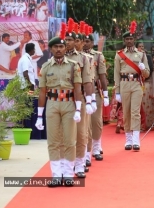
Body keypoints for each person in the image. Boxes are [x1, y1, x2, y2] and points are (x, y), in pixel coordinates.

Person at [35, 28, 83, 187]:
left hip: (69, 103)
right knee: (54, 141)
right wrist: (39, 115)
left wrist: (78, 109)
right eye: (55, 47)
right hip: (52, 104)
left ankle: (68, 174)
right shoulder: (46, 67)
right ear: (51, 49)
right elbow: (42, 92)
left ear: (65, 48)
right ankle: (56, 175)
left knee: (69, 140)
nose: (58, 49)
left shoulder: (73, 66)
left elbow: (77, 89)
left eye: (61, 47)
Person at [63, 22, 95, 178]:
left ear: (77, 42)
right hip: (63, 99)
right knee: (65, 134)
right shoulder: (58, 57)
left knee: (81, 133)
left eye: (71, 40)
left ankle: (80, 163)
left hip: (79, 98)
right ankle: (66, 164)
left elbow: (88, 81)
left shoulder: (83, 58)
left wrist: (89, 100)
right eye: (66, 39)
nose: (68, 42)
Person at [114, 22, 150, 151]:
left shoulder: (141, 54)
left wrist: (142, 68)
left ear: (134, 40)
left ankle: (136, 140)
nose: (129, 41)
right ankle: (128, 139)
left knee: (135, 112)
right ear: (124, 40)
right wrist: (117, 91)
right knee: (126, 112)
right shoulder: (119, 55)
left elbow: (147, 73)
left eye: (131, 38)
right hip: (124, 83)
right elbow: (116, 74)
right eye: (127, 39)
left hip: (136, 84)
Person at [82, 26, 109, 163]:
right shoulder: (77, 56)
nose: (86, 43)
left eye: (88, 41)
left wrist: (106, 93)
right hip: (82, 92)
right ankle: (86, 151)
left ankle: (97, 148)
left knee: (96, 121)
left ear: (92, 43)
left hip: (96, 91)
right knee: (84, 124)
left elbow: (102, 76)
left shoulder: (98, 56)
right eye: (84, 41)